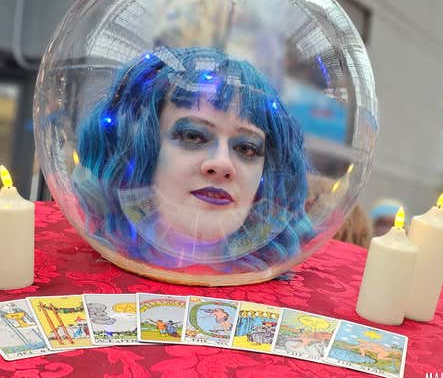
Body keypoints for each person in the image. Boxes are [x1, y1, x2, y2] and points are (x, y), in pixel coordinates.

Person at [72, 47, 312, 271]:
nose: (221, 164)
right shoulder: (77, 270)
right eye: (193, 136)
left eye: (247, 148)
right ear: (138, 146)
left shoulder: (295, 299)